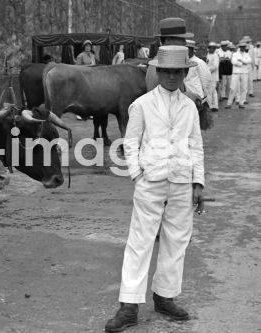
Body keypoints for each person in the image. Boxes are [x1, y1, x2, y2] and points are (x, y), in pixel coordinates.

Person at [105, 45, 204, 332]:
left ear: (185, 73)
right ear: (158, 72)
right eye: (167, 71)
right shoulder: (142, 105)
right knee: (140, 242)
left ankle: (165, 296)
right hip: (151, 181)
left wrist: (198, 182)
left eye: (178, 71)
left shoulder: (189, 107)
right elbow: (131, 142)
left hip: (182, 181)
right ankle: (129, 306)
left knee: (176, 241)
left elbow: (195, 145)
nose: (172, 76)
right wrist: (138, 174)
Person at [146, 17, 193, 91]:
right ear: (168, 40)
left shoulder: (160, 62)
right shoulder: (160, 65)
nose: (185, 43)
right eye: (181, 39)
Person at [184, 40, 213, 105]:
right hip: (186, 95)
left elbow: (206, 80)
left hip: (197, 95)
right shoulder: (182, 62)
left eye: (187, 49)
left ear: (191, 49)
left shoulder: (199, 62)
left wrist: (206, 97)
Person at [226, 41, 252, 109]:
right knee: (233, 88)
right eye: (241, 47)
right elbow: (233, 62)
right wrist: (242, 63)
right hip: (236, 72)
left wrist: (241, 60)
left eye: (244, 47)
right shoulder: (235, 54)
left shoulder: (247, 54)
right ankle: (229, 103)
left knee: (244, 88)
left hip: (244, 72)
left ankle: (241, 103)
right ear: (239, 47)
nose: (243, 48)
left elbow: (249, 61)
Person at [206, 42, 220, 112]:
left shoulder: (215, 55)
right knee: (211, 91)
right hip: (207, 76)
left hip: (213, 76)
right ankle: (213, 105)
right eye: (210, 47)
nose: (212, 49)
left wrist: (206, 70)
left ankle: (212, 105)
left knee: (212, 91)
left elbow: (215, 66)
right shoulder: (207, 55)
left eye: (213, 48)